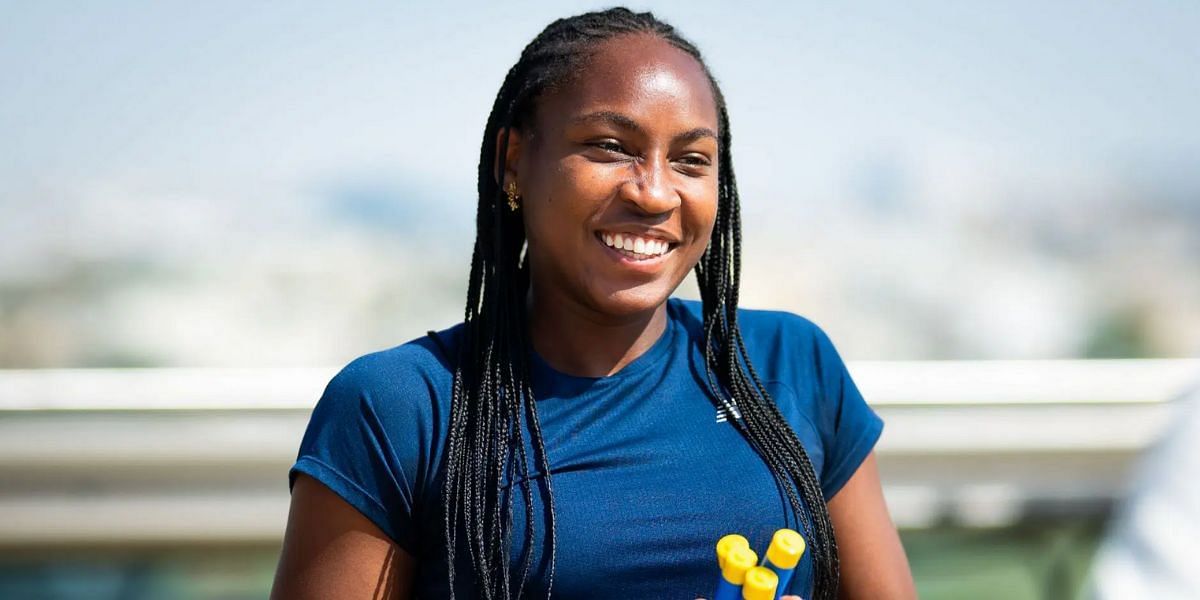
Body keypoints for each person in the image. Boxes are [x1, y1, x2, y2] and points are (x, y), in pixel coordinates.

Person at [271, 7, 915, 600]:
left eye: (692, 160)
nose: (656, 193)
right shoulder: (399, 406)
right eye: (611, 146)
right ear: (514, 161)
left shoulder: (789, 363)